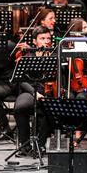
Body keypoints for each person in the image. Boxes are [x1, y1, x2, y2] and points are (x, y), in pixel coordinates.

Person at [13, 26, 55, 157]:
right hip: (31, 91)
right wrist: (34, 92)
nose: (46, 41)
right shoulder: (28, 56)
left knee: (51, 108)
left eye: (48, 38)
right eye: (42, 38)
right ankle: (25, 145)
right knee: (20, 107)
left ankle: (40, 145)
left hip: (49, 92)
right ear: (35, 41)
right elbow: (22, 80)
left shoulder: (54, 56)